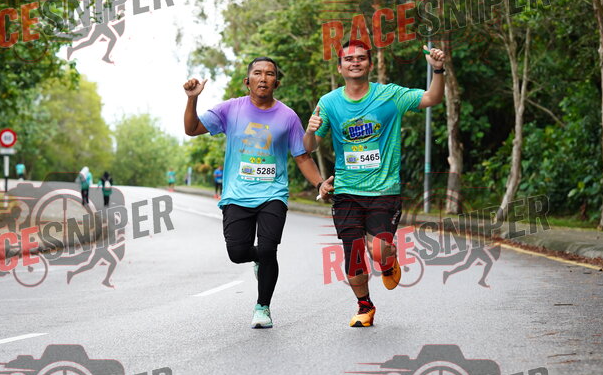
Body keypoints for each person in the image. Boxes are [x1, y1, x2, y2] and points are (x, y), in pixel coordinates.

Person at [183, 57, 332, 328]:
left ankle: (263, 307)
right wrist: (193, 99)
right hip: (237, 194)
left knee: (267, 249)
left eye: (270, 74)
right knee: (237, 252)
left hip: (273, 194)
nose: (263, 78)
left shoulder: (287, 116)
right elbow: (191, 129)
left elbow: (302, 156)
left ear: (277, 82)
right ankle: (258, 260)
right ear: (247, 81)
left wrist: (319, 183)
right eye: (258, 73)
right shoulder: (230, 109)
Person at [304, 40, 445, 327]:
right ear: (340, 67)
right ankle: (365, 306)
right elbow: (309, 147)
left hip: (384, 189)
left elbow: (432, 98)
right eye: (348, 59)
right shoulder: (329, 102)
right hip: (346, 191)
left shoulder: (390, 95)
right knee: (354, 253)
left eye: (361, 58)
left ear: (369, 64)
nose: (355, 62)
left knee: (379, 250)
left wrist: (438, 70)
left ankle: (388, 261)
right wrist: (309, 131)